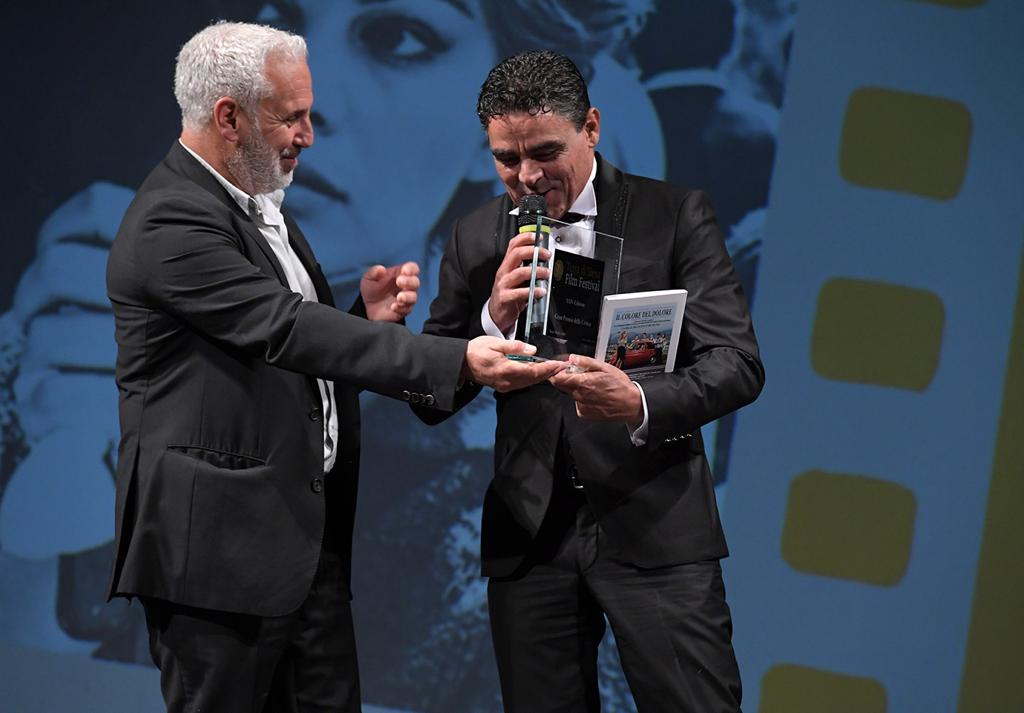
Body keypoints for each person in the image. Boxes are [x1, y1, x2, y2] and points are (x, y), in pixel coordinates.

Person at [105, 22, 559, 712]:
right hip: (216, 562)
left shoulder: (261, 209)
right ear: (228, 117)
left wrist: (362, 320)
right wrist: (458, 356)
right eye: (291, 117)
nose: (308, 135)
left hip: (300, 552)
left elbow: (290, 350)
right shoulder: (172, 219)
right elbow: (285, 327)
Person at [415, 50, 765, 712]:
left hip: (654, 522)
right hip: (530, 537)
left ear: (593, 128)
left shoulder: (674, 215)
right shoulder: (474, 236)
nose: (526, 176)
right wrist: (490, 322)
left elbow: (737, 363)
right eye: (506, 158)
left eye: (545, 151)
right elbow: (429, 395)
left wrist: (638, 400)